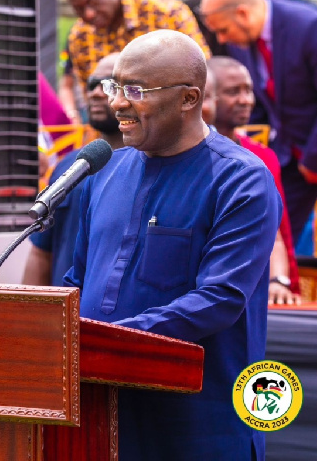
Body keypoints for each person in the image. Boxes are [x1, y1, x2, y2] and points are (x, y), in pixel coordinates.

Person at [63, 30, 281, 460]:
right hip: (100, 418)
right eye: (114, 87)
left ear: (188, 99)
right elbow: (79, 279)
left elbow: (219, 299)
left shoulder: (241, 180)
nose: (117, 103)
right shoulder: (104, 171)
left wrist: (104, 343)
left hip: (198, 428)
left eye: (135, 90)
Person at [200, 0, 317, 244]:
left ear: (242, 13)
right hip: (292, 157)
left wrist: (315, 160)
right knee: (271, 231)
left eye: (222, 30)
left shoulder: (311, 27)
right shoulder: (241, 40)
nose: (221, 40)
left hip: (314, 151)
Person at [206, 56, 301, 305]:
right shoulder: (193, 155)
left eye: (248, 90)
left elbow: (275, 232)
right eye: (232, 92)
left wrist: (278, 281)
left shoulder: (262, 155)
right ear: (206, 97)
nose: (245, 100)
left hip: (263, 288)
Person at [24, 54, 123, 287]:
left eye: (108, 84)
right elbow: (41, 254)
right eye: (91, 85)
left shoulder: (153, 165)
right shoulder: (69, 166)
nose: (95, 93)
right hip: (63, 317)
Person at [60, 0, 211, 121]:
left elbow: (202, 73)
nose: (89, 14)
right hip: (111, 135)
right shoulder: (80, 35)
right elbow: (90, 97)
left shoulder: (165, 12)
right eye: (79, 9)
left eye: (93, 2)